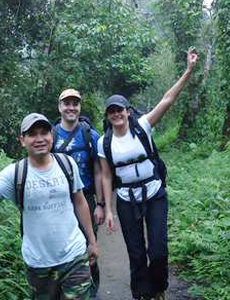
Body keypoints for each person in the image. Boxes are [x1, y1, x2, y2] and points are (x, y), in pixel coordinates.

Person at [0, 113, 99, 300]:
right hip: (39, 265)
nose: (40, 139)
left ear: (52, 136)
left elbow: (80, 202)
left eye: (44, 133)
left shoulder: (67, 163)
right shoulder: (15, 173)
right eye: (32, 134)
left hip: (74, 256)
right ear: (22, 141)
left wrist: (91, 241)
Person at [98, 48, 198, 300]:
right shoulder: (104, 142)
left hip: (154, 193)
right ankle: (142, 294)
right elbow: (107, 175)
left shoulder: (142, 126)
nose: (116, 114)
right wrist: (108, 210)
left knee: (158, 249)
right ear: (108, 116)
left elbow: (167, 99)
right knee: (135, 252)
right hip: (126, 198)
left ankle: (159, 288)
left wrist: (188, 70)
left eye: (120, 109)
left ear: (128, 111)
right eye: (112, 111)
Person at [53, 89, 104, 298]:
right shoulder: (50, 134)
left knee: (88, 248)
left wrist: (101, 204)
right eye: (67, 103)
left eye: (75, 103)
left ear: (80, 107)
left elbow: (99, 171)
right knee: (61, 247)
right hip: (58, 202)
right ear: (60, 107)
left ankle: (91, 290)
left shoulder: (90, 135)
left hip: (87, 199)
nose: (71, 107)